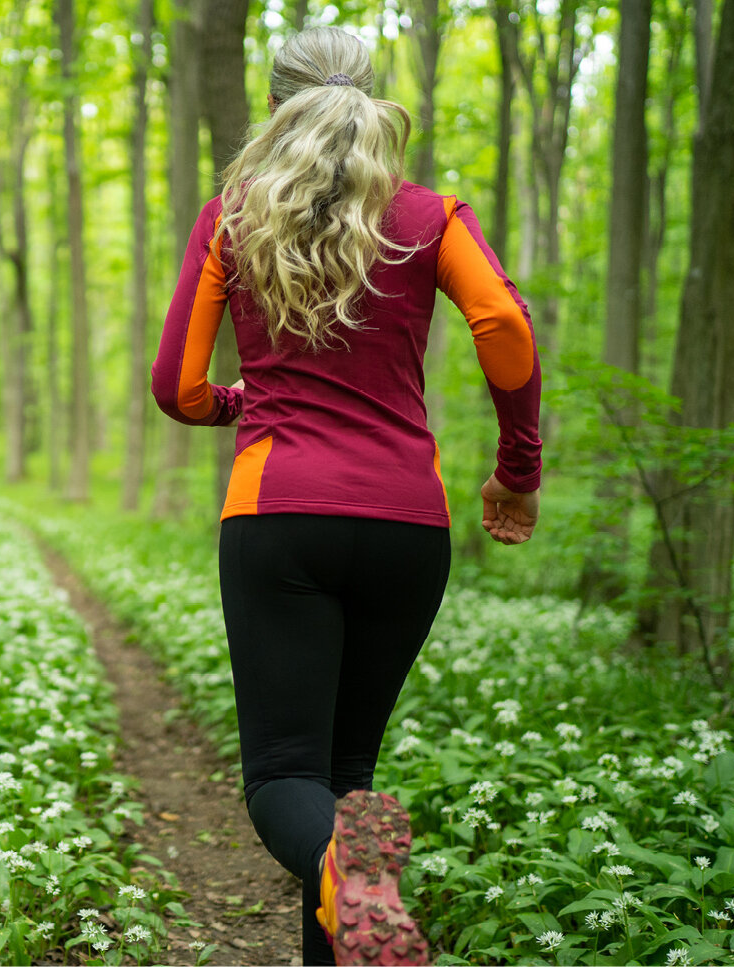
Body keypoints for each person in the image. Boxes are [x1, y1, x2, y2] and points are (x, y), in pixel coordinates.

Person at [145, 25, 543, 967]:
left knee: (286, 776)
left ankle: (355, 890)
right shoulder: (431, 216)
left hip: (278, 512)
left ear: (274, 99)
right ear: (370, 92)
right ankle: (361, 921)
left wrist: (237, 404)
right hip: (407, 521)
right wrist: (516, 470)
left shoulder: (232, 215)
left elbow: (176, 387)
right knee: (346, 777)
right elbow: (503, 324)